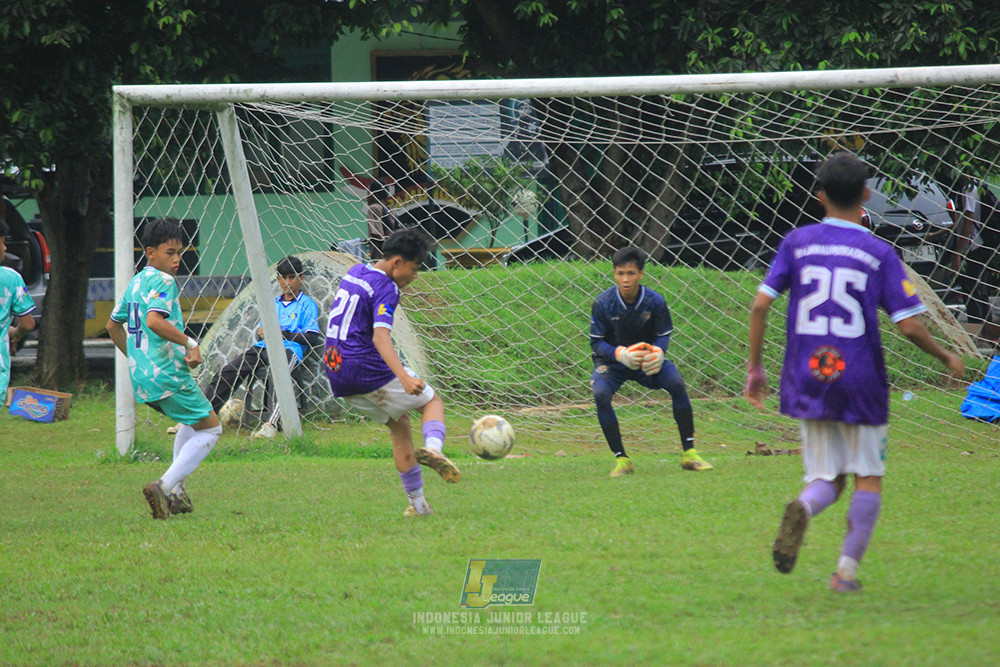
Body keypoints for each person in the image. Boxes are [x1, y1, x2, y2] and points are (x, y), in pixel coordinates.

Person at [745, 152, 965, 592]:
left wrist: (755, 368)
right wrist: (946, 356)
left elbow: (760, 304)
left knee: (826, 477)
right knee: (867, 476)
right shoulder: (878, 251)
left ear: (819, 195)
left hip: (809, 374)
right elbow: (908, 325)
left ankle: (804, 509)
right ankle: (845, 574)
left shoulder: (797, 242)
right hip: (860, 378)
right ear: (867, 194)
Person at [324, 227, 460, 517]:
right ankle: (434, 448)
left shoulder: (355, 271)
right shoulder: (388, 287)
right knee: (431, 401)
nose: (416, 275)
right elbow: (380, 337)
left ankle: (419, 505)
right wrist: (404, 377)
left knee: (400, 427)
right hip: (363, 364)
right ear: (397, 262)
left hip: (335, 369)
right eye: (415, 268)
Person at [107, 218, 222, 520]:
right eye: (170, 252)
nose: (176, 259)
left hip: (143, 378)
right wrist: (190, 343)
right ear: (150, 253)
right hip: (167, 373)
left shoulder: (137, 282)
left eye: (180, 252)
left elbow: (112, 324)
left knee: (192, 421)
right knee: (212, 428)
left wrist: (136, 358)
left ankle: (177, 493)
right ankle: (165, 486)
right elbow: (155, 322)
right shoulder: (163, 281)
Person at [589, 245, 713, 477]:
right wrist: (620, 354)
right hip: (614, 363)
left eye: (631, 273)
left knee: (676, 383)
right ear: (614, 273)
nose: (625, 279)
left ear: (641, 274)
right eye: (620, 273)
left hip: (646, 361)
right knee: (600, 394)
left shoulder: (655, 301)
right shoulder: (603, 303)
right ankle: (622, 460)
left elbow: (663, 334)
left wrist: (659, 352)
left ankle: (690, 453)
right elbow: (596, 343)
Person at [203, 255, 322, 439]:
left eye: (292, 277)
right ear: (278, 279)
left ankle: (271, 425)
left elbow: (313, 338)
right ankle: (201, 417)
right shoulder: (272, 304)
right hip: (263, 347)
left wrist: (282, 334)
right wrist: (264, 331)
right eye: (284, 277)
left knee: (279, 376)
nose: (288, 282)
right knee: (229, 370)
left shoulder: (307, 305)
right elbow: (262, 330)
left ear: (301, 278)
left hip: (289, 350)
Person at [0, 218, 37, 401]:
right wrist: (15, 333)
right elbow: (28, 324)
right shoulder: (10, 279)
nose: (5, 248)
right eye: (3, 242)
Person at [366, 180, 398, 260]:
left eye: (368, 194)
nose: (366, 197)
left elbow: (377, 234)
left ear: (375, 194)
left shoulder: (374, 208)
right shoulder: (389, 210)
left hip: (381, 254)